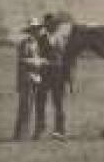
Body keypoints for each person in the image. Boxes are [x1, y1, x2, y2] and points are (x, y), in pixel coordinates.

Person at [36, 12, 69, 140]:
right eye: (51, 24)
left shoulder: (61, 38)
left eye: (55, 24)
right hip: (44, 74)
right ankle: (40, 128)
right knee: (41, 102)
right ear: (46, 25)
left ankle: (60, 130)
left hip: (58, 75)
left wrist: (67, 76)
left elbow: (65, 58)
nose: (54, 26)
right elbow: (37, 55)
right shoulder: (41, 38)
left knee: (59, 103)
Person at [14, 18, 47, 142]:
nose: (36, 32)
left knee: (29, 107)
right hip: (27, 78)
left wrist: (40, 62)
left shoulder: (36, 44)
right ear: (30, 31)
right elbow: (22, 60)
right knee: (25, 107)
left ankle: (22, 134)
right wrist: (38, 62)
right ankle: (21, 135)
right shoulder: (24, 44)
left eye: (37, 29)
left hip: (35, 78)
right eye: (34, 30)